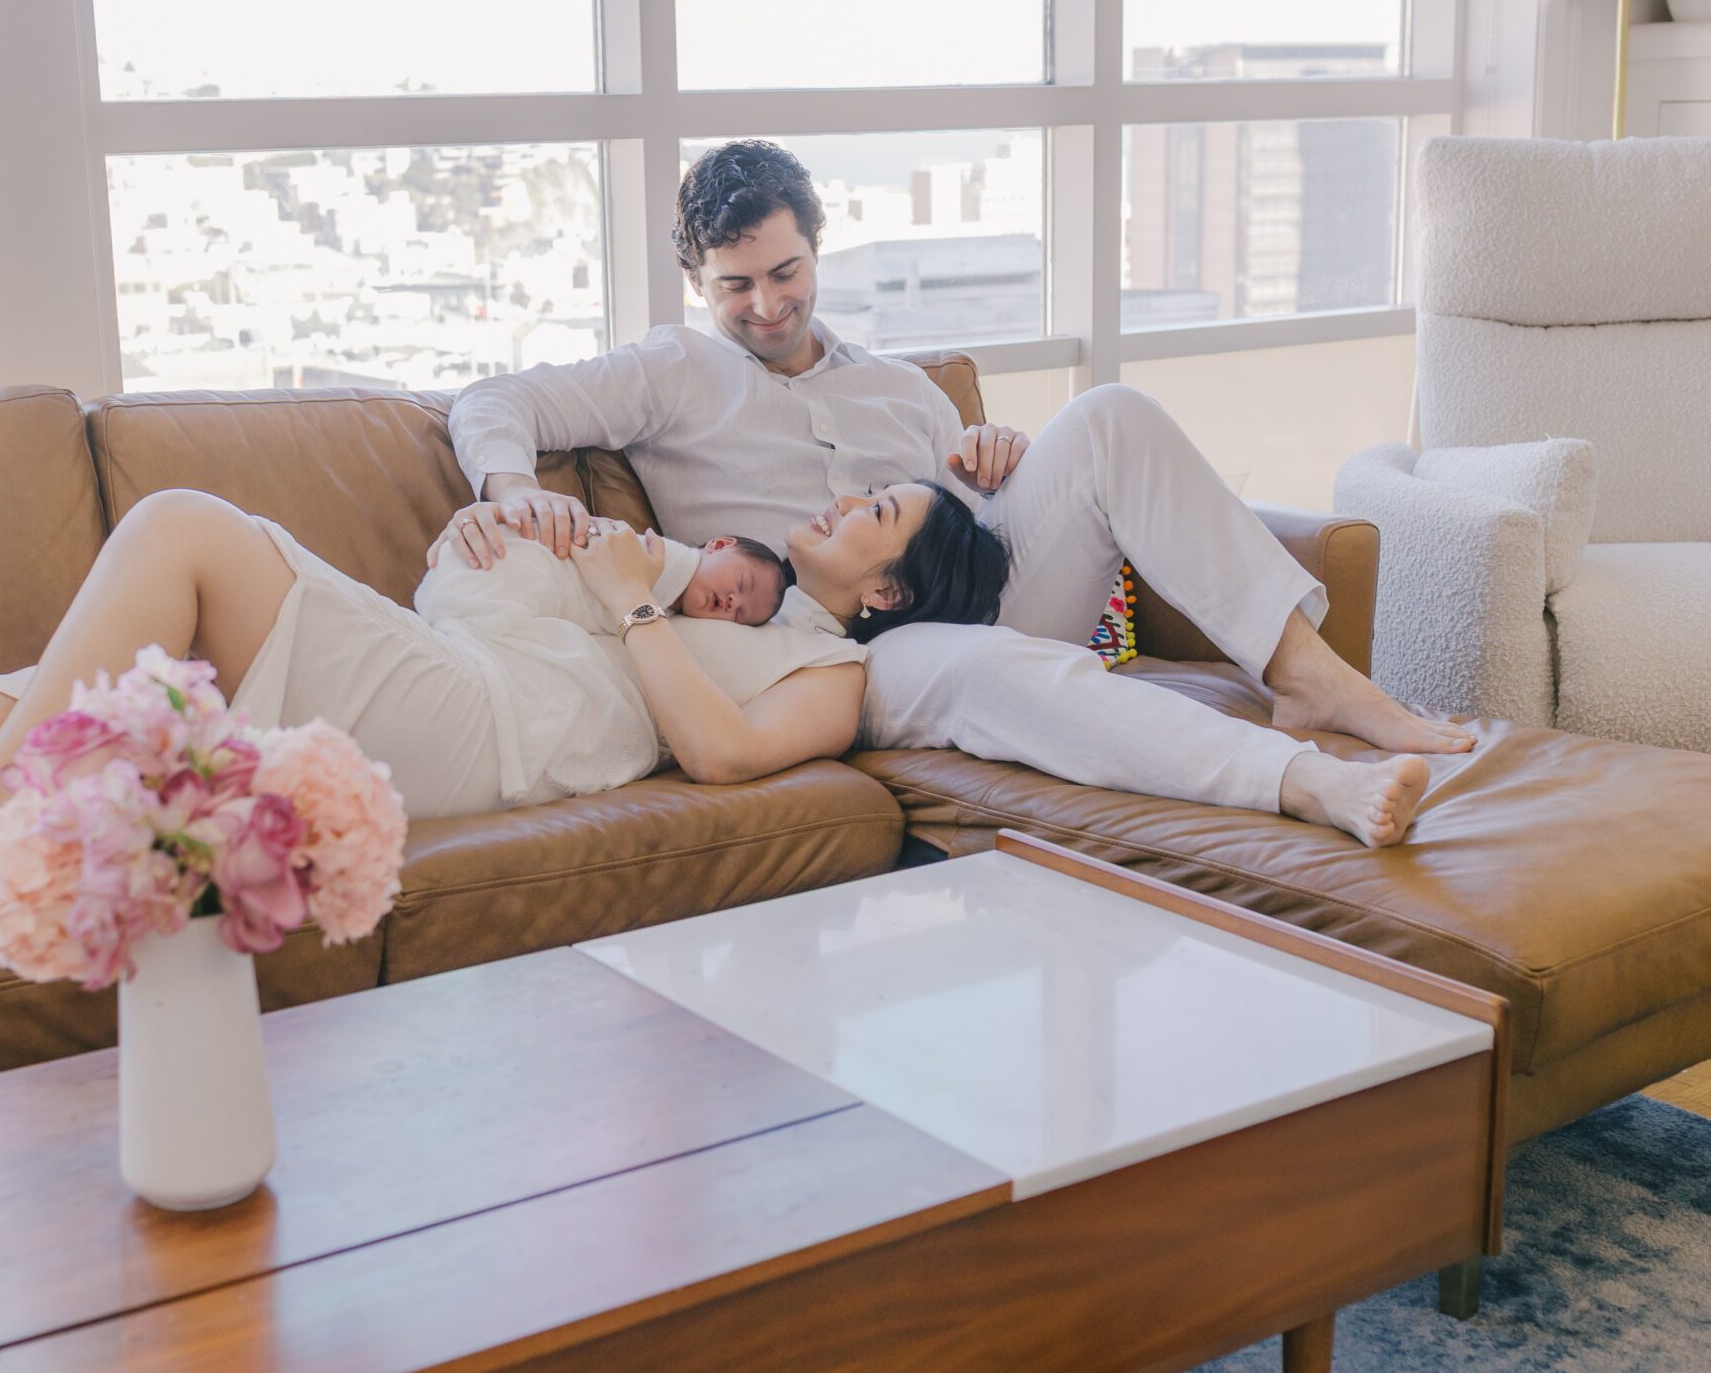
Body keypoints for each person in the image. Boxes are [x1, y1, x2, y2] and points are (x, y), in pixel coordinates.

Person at [439, 139, 1468, 851]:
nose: (766, 305)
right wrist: (512, 489)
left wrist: (992, 455)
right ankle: (1304, 782)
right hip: (840, 656)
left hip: (974, 590)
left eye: (785, 272)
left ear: (816, 244)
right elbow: (494, 401)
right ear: (696, 281)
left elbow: (974, 529)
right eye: (734, 286)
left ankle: (1313, 678)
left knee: (1108, 413)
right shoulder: (669, 372)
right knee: (987, 665)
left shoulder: (900, 390)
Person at [0, 481, 1005, 910]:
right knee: (58, 697)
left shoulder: (833, 667)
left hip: (485, 743)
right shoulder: (708, 564)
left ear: (890, 586)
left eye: (879, 509)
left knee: (187, 527)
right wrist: (508, 537)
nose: (851, 497)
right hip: (460, 666)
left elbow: (728, 753)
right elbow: (519, 585)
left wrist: (631, 602)